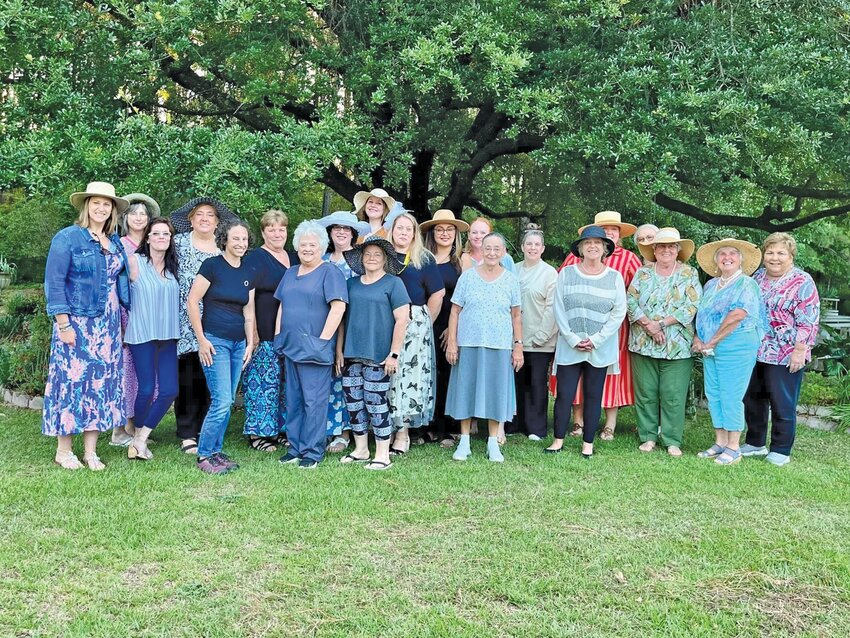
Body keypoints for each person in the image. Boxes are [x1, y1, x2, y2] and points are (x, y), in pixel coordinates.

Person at [43, 181, 132, 470]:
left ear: (113, 211)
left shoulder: (114, 241)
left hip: (106, 325)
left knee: (100, 386)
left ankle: (91, 451)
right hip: (77, 323)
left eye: (107, 204)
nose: (101, 208)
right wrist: (63, 324)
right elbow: (54, 283)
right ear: (86, 205)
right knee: (71, 383)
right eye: (96, 202)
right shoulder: (68, 238)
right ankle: (64, 450)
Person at [557, 211, 640, 441]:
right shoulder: (575, 259)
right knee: (576, 376)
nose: (610, 232)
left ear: (618, 234)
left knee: (608, 376)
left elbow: (634, 294)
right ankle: (578, 420)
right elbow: (560, 289)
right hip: (576, 329)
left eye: (613, 229)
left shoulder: (629, 259)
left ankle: (610, 424)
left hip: (613, 330)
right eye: (605, 229)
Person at [742, 233, 820, 466]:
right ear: (763, 255)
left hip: (786, 352)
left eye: (780, 253)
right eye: (770, 253)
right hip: (756, 349)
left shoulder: (802, 281)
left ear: (791, 256)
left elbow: (809, 320)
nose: (775, 258)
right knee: (753, 398)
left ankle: (781, 449)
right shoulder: (757, 277)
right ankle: (755, 442)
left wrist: (799, 350)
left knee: (781, 400)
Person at [548, 226, 627, 459]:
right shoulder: (567, 274)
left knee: (594, 395)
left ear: (605, 249)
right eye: (587, 243)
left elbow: (619, 312)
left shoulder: (614, 277)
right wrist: (572, 338)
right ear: (580, 249)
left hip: (599, 348)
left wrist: (596, 340)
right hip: (569, 346)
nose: (592, 246)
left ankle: (588, 444)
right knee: (565, 394)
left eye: (597, 243)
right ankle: (558, 440)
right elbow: (558, 308)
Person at [275, 220, 348, 469]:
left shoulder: (330, 272)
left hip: (315, 348)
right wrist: (278, 335)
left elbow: (338, 307)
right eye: (303, 244)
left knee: (314, 402)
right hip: (290, 346)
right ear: (297, 247)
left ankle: (312, 452)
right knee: (293, 400)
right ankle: (294, 448)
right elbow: (282, 305)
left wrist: (323, 341)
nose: (307, 248)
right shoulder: (290, 272)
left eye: (313, 245)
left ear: (321, 247)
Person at [171, 197, 239, 455]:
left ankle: (204, 428)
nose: (204, 219)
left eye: (210, 215)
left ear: (217, 222)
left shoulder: (222, 249)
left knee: (211, 375)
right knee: (187, 377)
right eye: (199, 214)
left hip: (215, 320)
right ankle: (187, 432)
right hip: (183, 319)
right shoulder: (178, 244)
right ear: (190, 219)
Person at [187, 220, 256, 474]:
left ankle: (216, 451)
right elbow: (193, 301)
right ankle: (204, 454)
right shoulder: (212, 266)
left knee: (225, 402)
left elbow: (249, 312)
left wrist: (250, 343)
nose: (240, 243)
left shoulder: (248, 271)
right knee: (223, 400)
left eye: (244, 239)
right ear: (224, 240)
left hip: (239, 344)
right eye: (235, 238)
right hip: (215, 341)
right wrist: (201, 339)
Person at [446, 233, 522, 462]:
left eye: (496, 249)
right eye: (487, 248)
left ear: (503, 252)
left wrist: (518, 346)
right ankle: (465, 441)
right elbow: (454, 311)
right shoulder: (467, 277)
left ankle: (492, 443)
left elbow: (516, 316)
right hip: (468, 343)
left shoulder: (510, 279)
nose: (491, 253)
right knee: (466, 391)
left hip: (499, 345)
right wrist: (452, 341)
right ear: (481, 249)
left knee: (496, 393)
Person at [337, 238, 411, 470]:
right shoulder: (350, 284)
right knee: (354, 402)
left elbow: (402, 320)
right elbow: (341, 320)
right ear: (360, 258)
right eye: (367, 254)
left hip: (379, 355)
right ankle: (360, 449)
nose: (371, 258)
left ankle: (382, 454)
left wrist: (394, 354)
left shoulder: (394, 283)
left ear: (385, 259)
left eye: (377, 254)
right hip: (351, 353)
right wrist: (339, 350)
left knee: (376, 402)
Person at [628, 228, 702, 457]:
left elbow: (691, 305)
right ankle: (648, 437)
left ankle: (672, 440)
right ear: (654, 250)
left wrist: (660, 324)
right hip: (643, 342)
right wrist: (648, 325)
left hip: (677, 346)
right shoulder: (642, 273)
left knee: (673, 393)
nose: (666, 250)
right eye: (661, 246)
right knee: (646, 392)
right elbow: (630, 300)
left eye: (671, 246)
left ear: (678, 250)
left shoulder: (689, 274)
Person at [693, 238, 765, 465]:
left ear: (741, 259)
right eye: (722, 254)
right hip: (710, 347)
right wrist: (699, 337)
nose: (727, 258)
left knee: (731, 394)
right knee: (714, 392)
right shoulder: (711, 285)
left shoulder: (746, 284)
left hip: (737, 345)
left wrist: (712, 341)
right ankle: (720, 441)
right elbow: (702, 315)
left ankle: (734, 447)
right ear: (716, 260)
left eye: (732, 254)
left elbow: (737, 315)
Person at [387, 212, 445, 453]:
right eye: (399, 228)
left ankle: (403, 434)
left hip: (414, 322)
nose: (403, 232)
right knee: (387, 375)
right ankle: (385, 429)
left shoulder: (424, 259)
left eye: (408, 229)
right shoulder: (382, 255)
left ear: (414, 233)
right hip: (385, 320)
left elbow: (437, 294)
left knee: (407, 378)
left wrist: (423, 322)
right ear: (391, 231)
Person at [124, 217, 180, 461]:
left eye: (166, 234)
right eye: (156, 233)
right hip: (142, 334)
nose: (161, 238)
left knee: (169, 390)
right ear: (147, 238)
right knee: (146, 389)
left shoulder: (173, 268)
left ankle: (139, 439)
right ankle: (138, 439)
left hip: (168, 335)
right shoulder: (134, 262)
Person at [318, 211, 370, 453]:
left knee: (346, 382)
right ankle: (323, 430)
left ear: (353, 233)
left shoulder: (359, 262)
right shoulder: (321, 259)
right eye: (336, 227)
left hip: (350, 329)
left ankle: (345, 433)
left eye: (346, 228)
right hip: (320, 327)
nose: (341, 232)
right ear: (329, 232)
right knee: (323, 382)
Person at [111, 193, 159, 447]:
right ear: (125, 218)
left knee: (145, 375)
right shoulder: (119, 245)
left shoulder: (154, 244)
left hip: (150, 317)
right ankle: (120, 429)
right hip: (127, 315)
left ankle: (135, 425)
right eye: (134, 213)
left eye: (143, 214)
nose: (139, 217)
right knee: (125, 372)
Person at [241, 210, 292, 453]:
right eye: (271, 229)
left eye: (281, 228)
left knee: (284, 384)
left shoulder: (293, 257)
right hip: (264, 331)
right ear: (262, 232)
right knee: (262, 383)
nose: (277, 233)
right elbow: (248, 296)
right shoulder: (255, 258)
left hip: (290, 333)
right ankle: (259, 433)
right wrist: (253, 333)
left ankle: (280, 429)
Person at [422, 209, 469, 447]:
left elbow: (470, 298)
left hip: (452, 324)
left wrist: (454, 330)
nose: (444, 233)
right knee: (426, 374)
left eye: (449, 229)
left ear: (455, 234)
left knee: (448, 375)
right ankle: (426, 426)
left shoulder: (463, 261)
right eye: (439, 229)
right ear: (432, 233)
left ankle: (448, 428)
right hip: (427, 321)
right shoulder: (423, 259)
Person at [508, 228, 558, 441]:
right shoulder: (513, 270)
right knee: (515, 383)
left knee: (536, 384)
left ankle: (536, 427)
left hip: (540, 341)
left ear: (543, 249)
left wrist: (541, 336)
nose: (533, 248)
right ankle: (513, 423)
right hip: (515, 339)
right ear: (522, 247)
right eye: (529, 244)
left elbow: (552, 308)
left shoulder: (549, 273)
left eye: (537, 244)